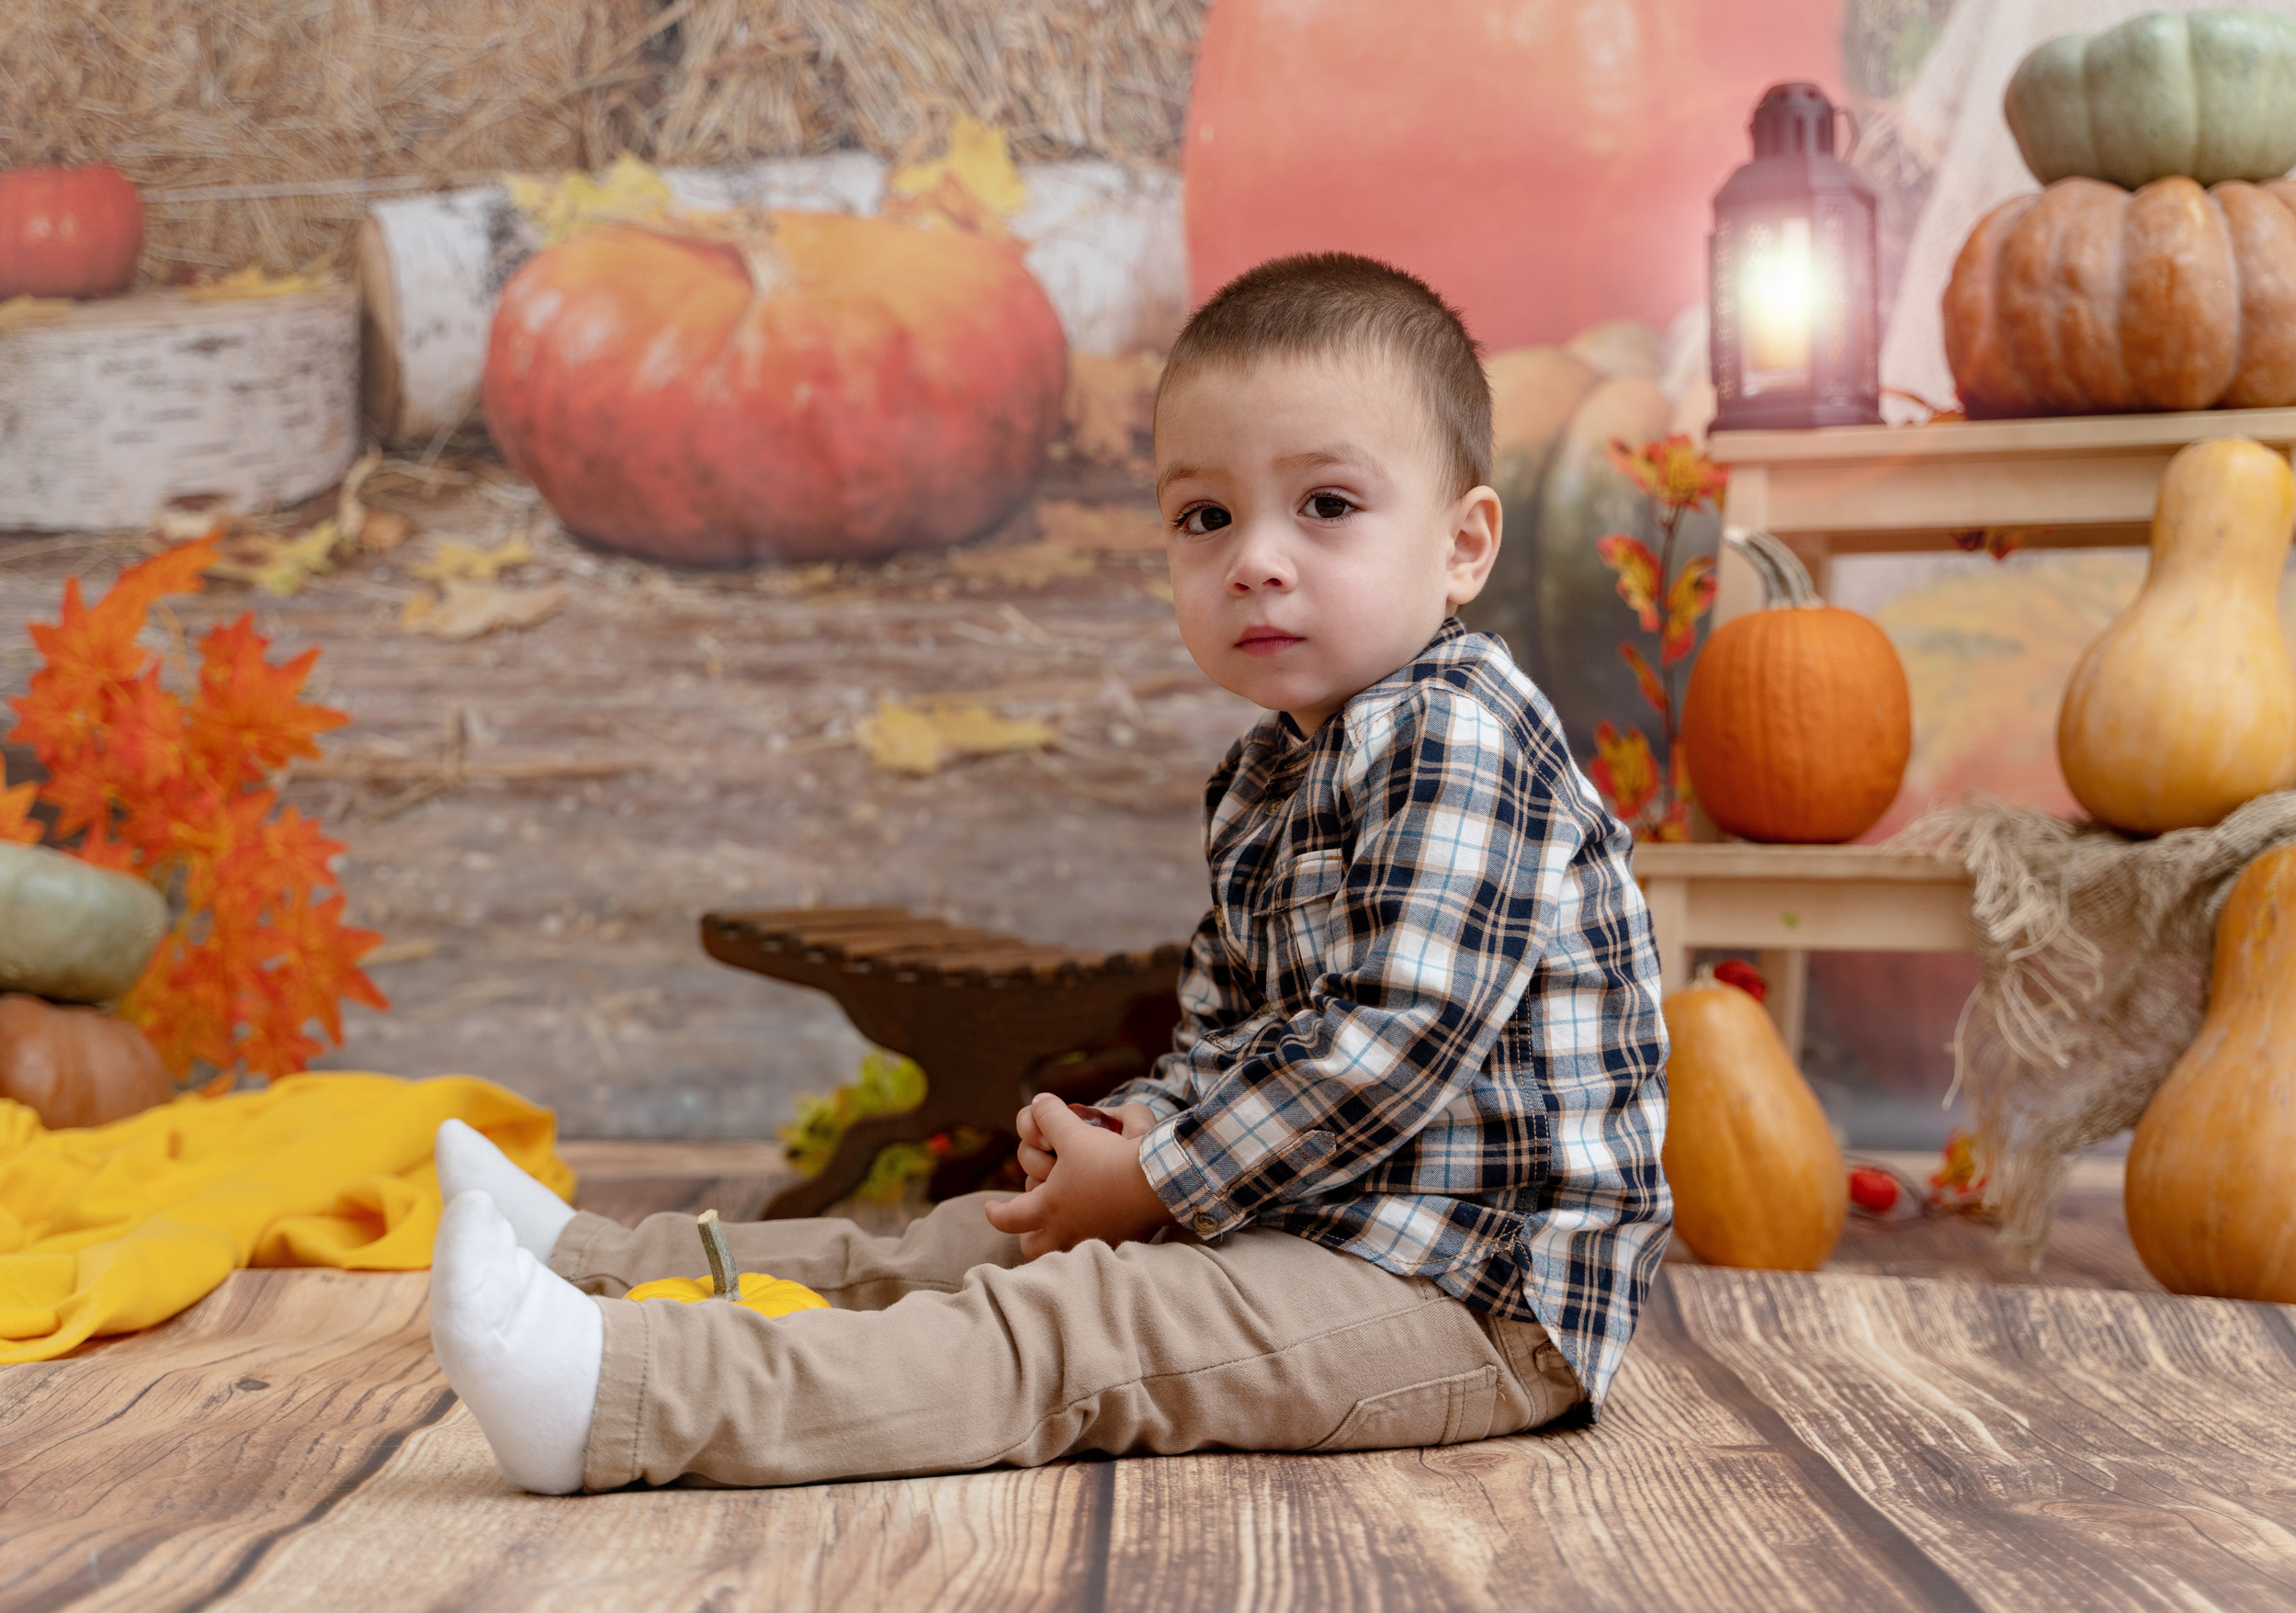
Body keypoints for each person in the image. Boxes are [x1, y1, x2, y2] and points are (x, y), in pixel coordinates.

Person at [429, 252, 1671, 1494]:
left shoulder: (1461, 733)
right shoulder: (1264, 780)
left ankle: (629, 1396)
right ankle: (595, 1264)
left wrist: (1157, 1175)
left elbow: (1401, 1038)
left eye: (1328, 506)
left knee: (1081, 1329)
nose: (1257, 560)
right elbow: (1231, 1032)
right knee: (974, 1239)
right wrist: (1124, 1136)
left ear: (1463, 547)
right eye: (1207, 517)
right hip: (1315, 1224)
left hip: (1474, 1298)